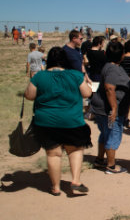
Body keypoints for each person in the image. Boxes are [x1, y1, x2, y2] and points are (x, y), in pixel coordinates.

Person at [24, 47, 93, 196]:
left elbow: (29, 95)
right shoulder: (75, 75)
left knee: (53, 154)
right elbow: (87, 93)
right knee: (75, 150)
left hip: (46, 122)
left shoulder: (39, 76)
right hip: (72, 120)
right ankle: (75, 181)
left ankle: (55, 187)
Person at [89, 41, 130, 174]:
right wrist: (114, 108)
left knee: (105, 134)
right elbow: (109, 88)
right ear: (122, 55)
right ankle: (111, 166)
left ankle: (100, 159)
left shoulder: (109, 66)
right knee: (113, 135)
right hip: (108, 110)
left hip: (100, 108)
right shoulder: (113, 69)